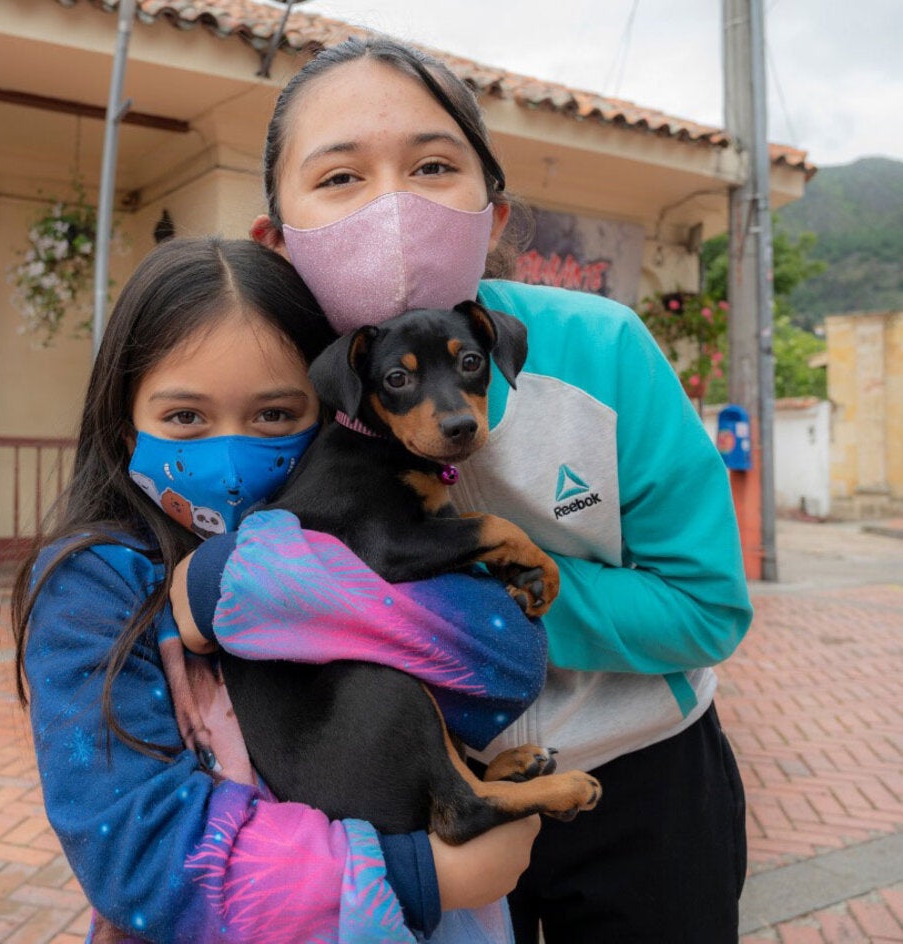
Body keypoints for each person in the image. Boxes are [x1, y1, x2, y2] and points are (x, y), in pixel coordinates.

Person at [174, 36, 754, 944]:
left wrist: (452, 615)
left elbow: (707, 607)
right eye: (338, 179)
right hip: (394, 807)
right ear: (276, 239)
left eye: (434, 165)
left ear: (494, 210)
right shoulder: (262, 394)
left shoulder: (605, 350)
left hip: (640, 778)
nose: (394, 205)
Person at [14, 236, 549, 944]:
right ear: (124, 428)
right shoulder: (95, 585)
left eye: (273, 415)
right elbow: (137, 856)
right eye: (184, 418)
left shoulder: (375, 513)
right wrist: (423, 875)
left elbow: (508, 663)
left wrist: (240, 583)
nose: (232, 456)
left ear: (334, 407)